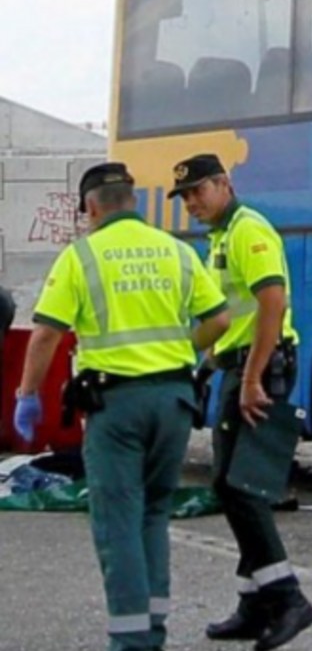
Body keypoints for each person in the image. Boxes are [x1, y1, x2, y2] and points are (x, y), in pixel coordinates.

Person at [12, 162, 230, 651]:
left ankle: (131, 641)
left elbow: (46, 332)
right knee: (154, 514)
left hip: (117, 407)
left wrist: (27, 395)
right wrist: (180, 351)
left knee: (117, 520)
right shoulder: (176, 250)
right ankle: (152, 629)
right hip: (174, 402)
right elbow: (219, 319)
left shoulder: (82, 256)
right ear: (132, 201)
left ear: (90, 208)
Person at [169, 154, 312, 650]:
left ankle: (288, 597)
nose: (191, 203)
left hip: (262, 367)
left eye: (197, 192)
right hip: (240, 366)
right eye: (185, 197)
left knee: (239, 487)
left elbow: (272, 302)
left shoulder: (247, 230)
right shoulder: (221, 237)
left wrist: (252, 377)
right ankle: (254, 604)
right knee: (234, 484)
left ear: (223, 184)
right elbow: (236, 312)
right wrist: (210, 365)